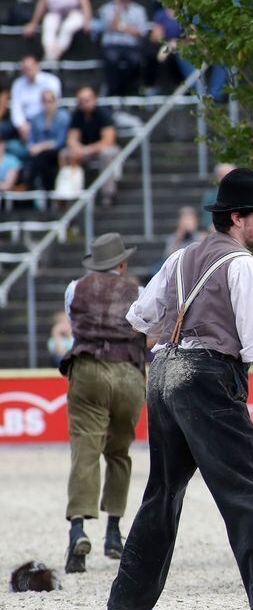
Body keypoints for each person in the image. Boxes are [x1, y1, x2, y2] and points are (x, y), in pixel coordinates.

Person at [107, 168, 253, 610]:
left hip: (165, 373)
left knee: (163, 492)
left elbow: (140, 319)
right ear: (236, 218)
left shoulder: (180, 258)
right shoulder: (244, 266)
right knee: (251, 490)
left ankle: (127, 601)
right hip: (207, 380)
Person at [59, 232, 146, 574]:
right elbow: (146, 328)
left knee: (85, 449)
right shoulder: (137, 292)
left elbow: (74, 325)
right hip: (127, 372)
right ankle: (113, 532)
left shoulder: (74, 288)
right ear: (121, 264)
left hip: (88, 368)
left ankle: (78, 529)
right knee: (119, 452)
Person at [60, 86, 121, 207]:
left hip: (100, 150)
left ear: (94, 99)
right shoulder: (77, 115)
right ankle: (68, 195)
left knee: (107, 154)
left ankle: (108, 194)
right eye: (81, 101)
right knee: (65, 154)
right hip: (84, 151)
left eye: (87, 100)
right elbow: (72, 138)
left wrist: (87, 149)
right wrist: (77, 148)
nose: (84, 104)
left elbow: (108, 140)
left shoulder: (103, 114)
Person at [96, 0, 149, 96]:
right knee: (112, 59)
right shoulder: (106, 9)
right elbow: (111, 26)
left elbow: (141, 33)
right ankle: (113, 92)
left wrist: (122, 27)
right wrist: (118, 8)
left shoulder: (139, 10)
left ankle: (132, 91)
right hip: (112, 45)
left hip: (131, 46)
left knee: (135, 61)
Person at [22, 89, 69, 193]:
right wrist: (33, 148)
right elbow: (31, 140)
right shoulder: (36, 118)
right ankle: (34, 189)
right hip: (39, 153)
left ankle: (29, 187)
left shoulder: (63, 117)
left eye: (50, 101)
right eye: (44, 101)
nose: (47, 105)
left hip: (56, 151)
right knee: (35, 158)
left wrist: (41, 147)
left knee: (42, 158)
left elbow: (60, 141)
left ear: (55, 102)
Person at [9, 54, 61, 143]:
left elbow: (53, 104)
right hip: (25, 121)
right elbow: (16, 108)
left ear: (37, 66)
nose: (28, 71)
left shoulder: (51, 81)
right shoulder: (18, 84)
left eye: (30, 67)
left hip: (44, 118)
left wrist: (36, 122)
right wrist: (21, 124)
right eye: (25, 68)